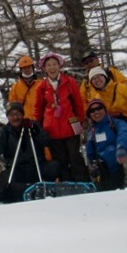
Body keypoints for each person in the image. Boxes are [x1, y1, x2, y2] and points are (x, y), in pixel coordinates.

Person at [34, 52, 88, 182]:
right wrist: (40, 129)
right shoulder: (41, 87)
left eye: (54, 64)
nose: (52, 68)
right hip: (52, 131)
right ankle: (66, 184)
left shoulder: (70, 82)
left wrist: (80, 123)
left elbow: (78, 104)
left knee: (75, 157)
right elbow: (38, 110)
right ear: (44, 68)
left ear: (59, 66)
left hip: (70, 128)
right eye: (49, 65)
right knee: (60, 160)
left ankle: (81, 182)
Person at [0, 103, 60, 185]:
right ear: (8, 117)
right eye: (12, 115)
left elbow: (46, 141)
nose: (15, 117)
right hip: (17, 168)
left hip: (36, 165)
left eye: (18, 114)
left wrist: (35, 130)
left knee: (54, 167)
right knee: (4, 177)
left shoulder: (32, 126)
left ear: (23, 115)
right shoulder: (5, 131)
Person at [85, 99, 127, 191]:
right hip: (105, 172)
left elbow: (125, 132)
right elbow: (90, 153)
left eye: (99, 108)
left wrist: (121, 147)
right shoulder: (92, 131)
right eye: (92, 111)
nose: (96, 112)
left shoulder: (116, 123)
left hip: (121, 165)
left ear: (105, 110)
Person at [9, 56, 43, 121]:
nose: (27, 70)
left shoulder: (41, 84)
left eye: (29, 67)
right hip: (24, 123)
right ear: (21, 70)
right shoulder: (15, 88)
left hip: (40, 122)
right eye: (24, 68)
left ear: (32, 68)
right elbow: (13, 108)